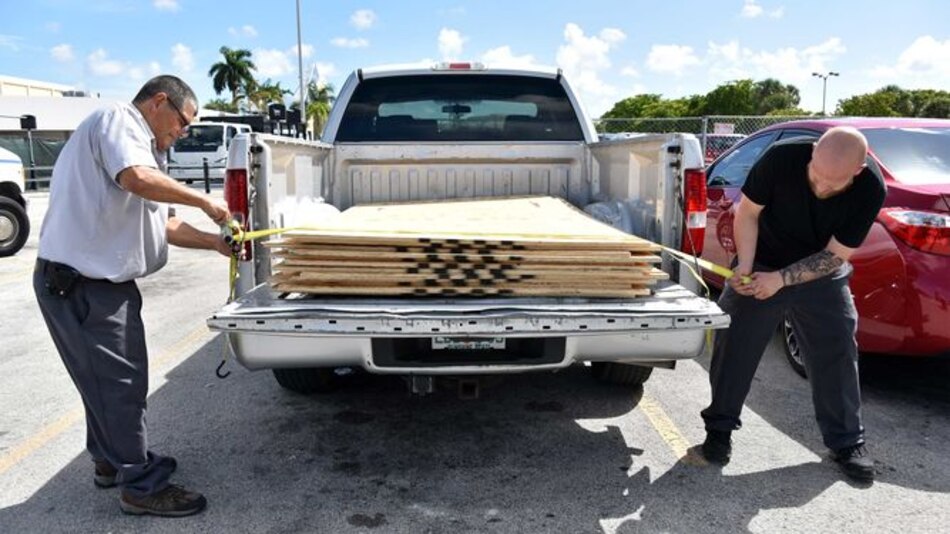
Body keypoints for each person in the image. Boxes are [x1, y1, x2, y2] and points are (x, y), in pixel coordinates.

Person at [32, 75, 232, 516]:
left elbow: (166, 224)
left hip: (95, 284)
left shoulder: (147, 150)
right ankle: (140, 484)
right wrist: (205, 201)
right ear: (160, 102)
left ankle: (109, 461)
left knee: (101, 379)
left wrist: (215, 243)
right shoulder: (118, 120)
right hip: (82, 284)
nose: (181, 133)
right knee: (120, 384)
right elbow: (136, 180)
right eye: (182, 122)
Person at [698, 126, 886, 483]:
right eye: (818, 176)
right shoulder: (781, 158)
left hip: (820, 268)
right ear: (813, 152)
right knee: (734, 343)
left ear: (857, 172)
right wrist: (748, 269)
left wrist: (782, 280)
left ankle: (848, 442)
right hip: (763, 259)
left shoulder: (870, 188)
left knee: (837, 348)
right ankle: (718, 430)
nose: (823, 187)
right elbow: (748, 213)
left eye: (836, 183)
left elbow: (835, 256)